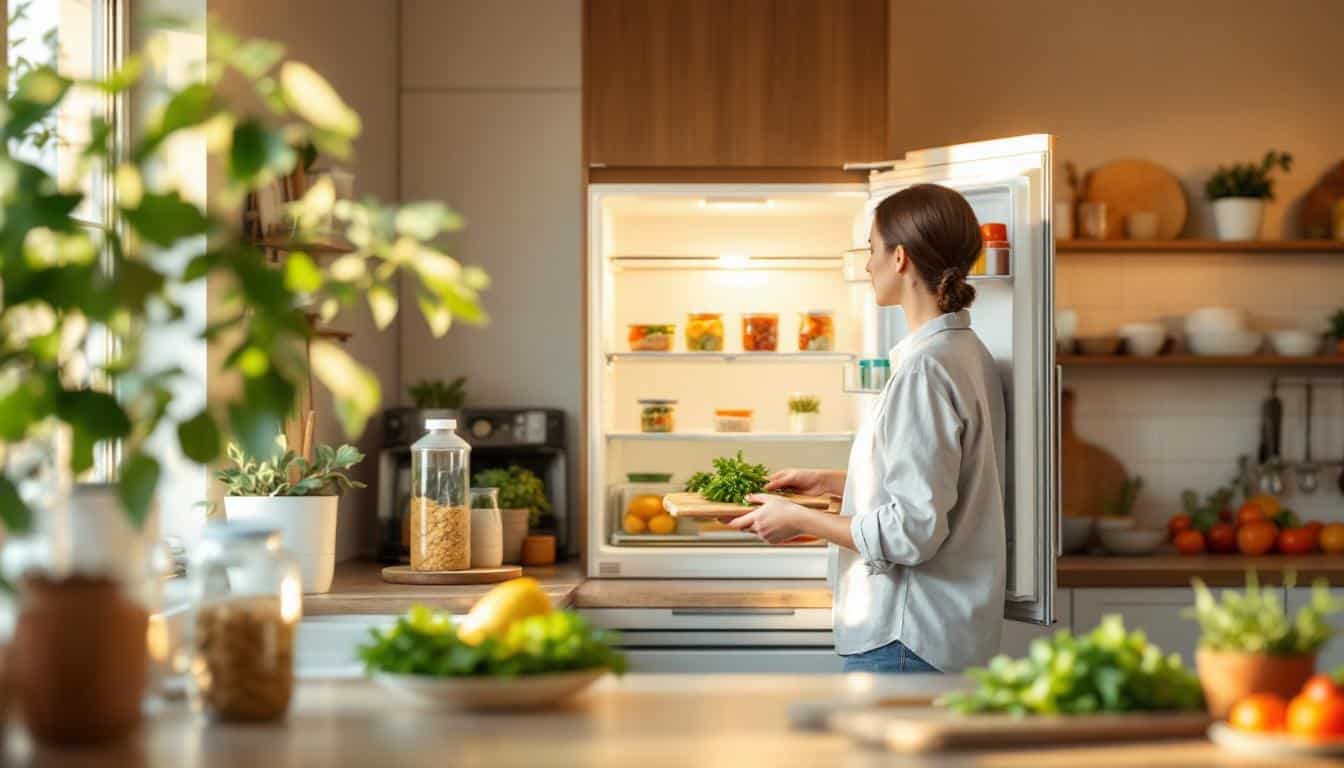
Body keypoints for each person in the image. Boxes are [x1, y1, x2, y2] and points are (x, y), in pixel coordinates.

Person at [728, 183, 1006, 674]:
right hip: (941, 630)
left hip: (906, 634)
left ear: (899, 258)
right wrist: (838, 483)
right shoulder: (964, 352)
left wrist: (800, 518)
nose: (866, 264)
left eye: (871, 249)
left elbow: (911, 535)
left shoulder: (925, 368)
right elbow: (942, 483)